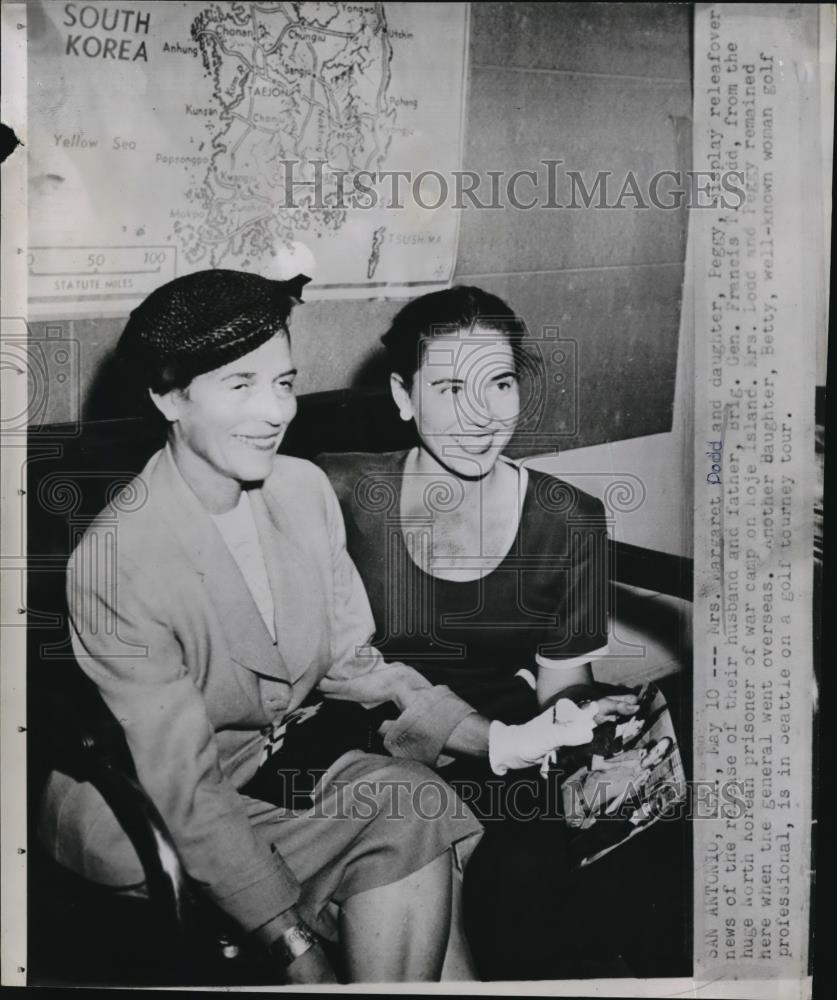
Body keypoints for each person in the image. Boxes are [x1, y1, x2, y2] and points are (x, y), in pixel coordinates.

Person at [39, 269, 498, 985]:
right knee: (413, 854)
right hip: (143, 825)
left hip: (255, 783)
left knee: (416, 803)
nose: (273, 411)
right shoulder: (116, 561)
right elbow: (183, 790)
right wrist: (290, 945)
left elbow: (353, 661)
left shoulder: (300, 489)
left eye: (283, 383)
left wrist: (494, 738)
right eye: (239, 385)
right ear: (167, 396)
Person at [315, 286, 641, 979]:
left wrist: (584, 726)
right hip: (358, 744)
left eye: (497, 383)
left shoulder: (567, 517)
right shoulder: (337, 495)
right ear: (403, 396)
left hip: (502, 750)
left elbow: (560, 687)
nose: (479, 417)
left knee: (533, 875)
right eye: (449, 386)